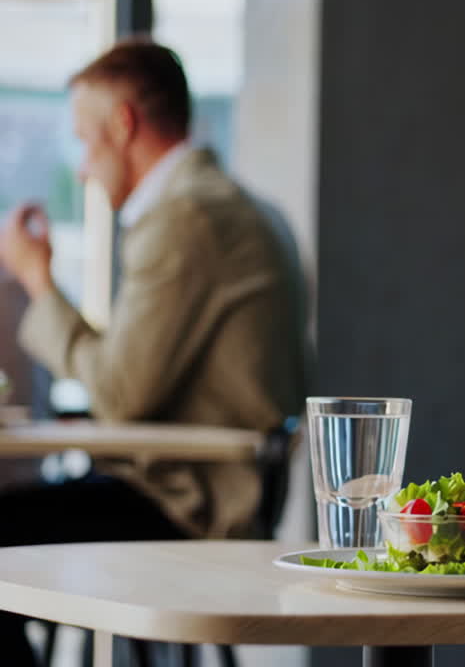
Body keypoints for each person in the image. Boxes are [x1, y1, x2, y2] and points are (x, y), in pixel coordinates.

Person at [0, 39, 305, 666]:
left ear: (123, 125)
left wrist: (37, 281)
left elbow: (118, 393)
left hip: (186, 505)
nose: (82, 167)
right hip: (201, 486)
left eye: (85, 141)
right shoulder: (230, 205)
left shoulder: (188, 216)